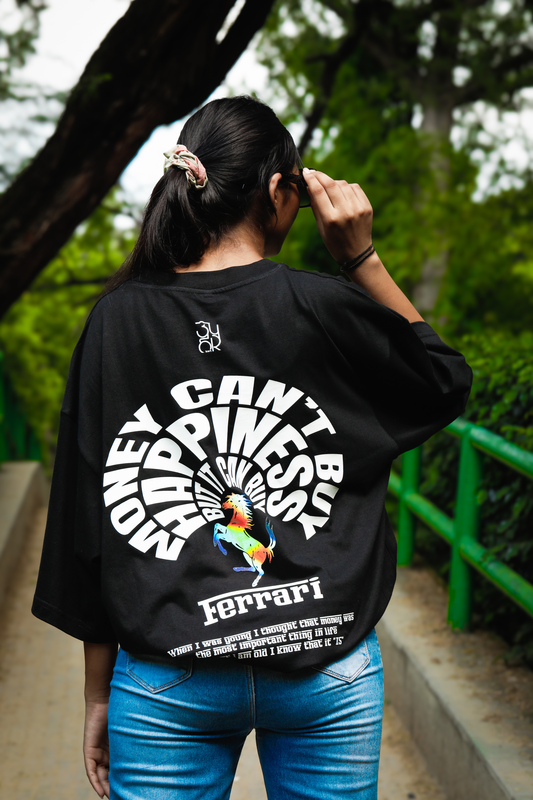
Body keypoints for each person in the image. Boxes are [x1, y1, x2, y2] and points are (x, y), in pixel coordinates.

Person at [32, 95, 472, 800]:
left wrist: (97, 693)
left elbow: (91, 515)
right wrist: (360, 258)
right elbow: (441, 382)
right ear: (278, 191)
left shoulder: (115, 320)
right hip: (326, 662)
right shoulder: (322, 304)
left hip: (167, 674)